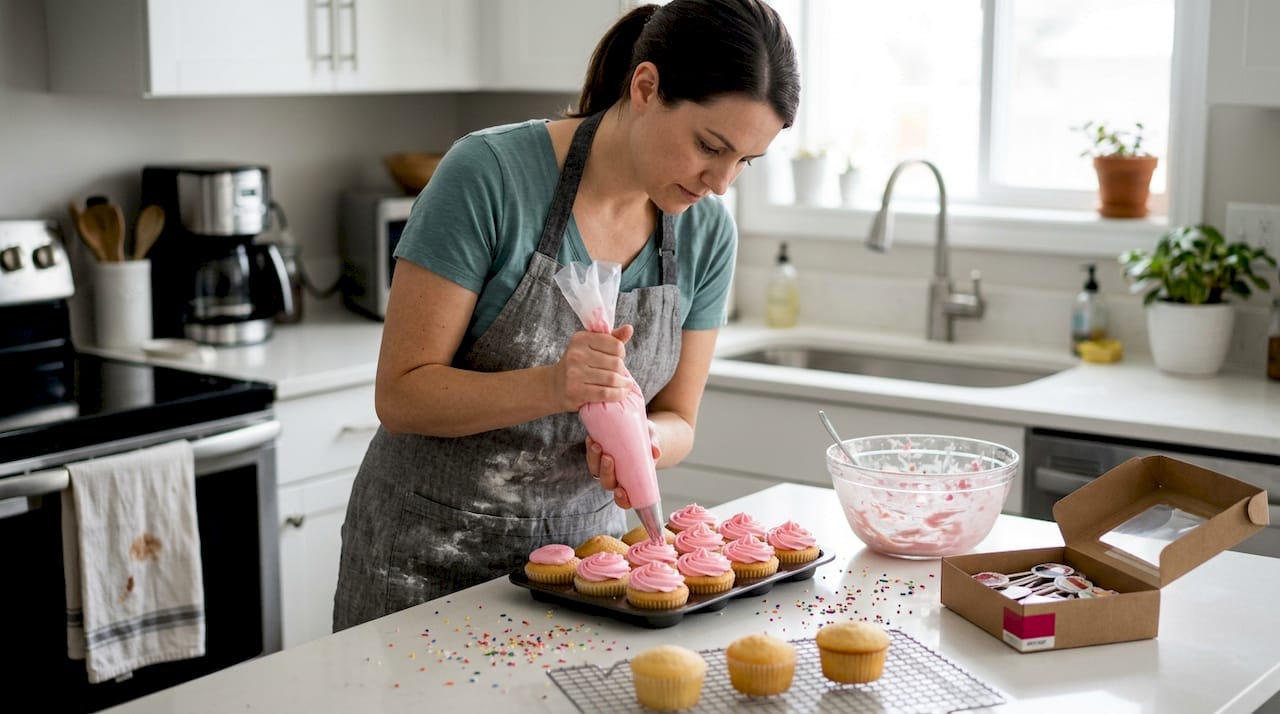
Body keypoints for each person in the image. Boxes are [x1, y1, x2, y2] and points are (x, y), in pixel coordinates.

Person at [333, 0, 800, 631]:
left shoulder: (706, 232)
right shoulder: (489, 175)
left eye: (746, 162)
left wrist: (644, 441)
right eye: (709, 146)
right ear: (645, 87)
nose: (720, 182)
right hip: (428, 561)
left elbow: (680, 419)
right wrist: (557, 385)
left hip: (591, 572)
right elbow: (402, 395)